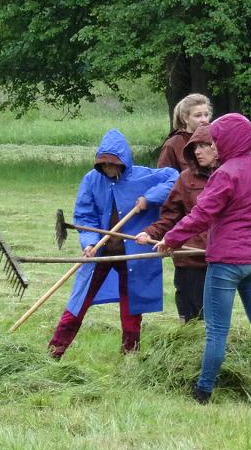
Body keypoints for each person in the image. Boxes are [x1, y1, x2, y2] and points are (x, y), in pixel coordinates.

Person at [155, 113, 251, 409]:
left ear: (230, 140)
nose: (215, 146)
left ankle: (202, 393)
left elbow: (201, 214)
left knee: (216, 331)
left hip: (225, 264)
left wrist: (170, 239)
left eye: (218, 140)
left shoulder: (225, 173)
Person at [48, 129, 178, 359]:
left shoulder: (142, 176)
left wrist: (149, 199)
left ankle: (130, 358)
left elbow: (175, 178)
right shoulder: (91, 180)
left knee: (131, 309)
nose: (109, 169)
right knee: (78, 304)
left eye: (113, 164)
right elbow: (85, 215)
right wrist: (89, 243)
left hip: (132, 255)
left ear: (124, 162)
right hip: (100, 254)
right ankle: (54, 352)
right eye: (104, 164)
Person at [136, 125, 216, 322]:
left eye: (204, 145)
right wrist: (150, 233)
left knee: (214, 318)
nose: (198, 151)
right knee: (190, 318)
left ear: (217, 147)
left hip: (219, 258)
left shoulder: (229, 176)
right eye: (194, 147)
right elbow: (170, 216)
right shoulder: (185, 179)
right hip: (188, 257)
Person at [157, 93, 212, 171]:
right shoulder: (173, 144)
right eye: (198, 115)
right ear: (185, 118)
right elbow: (164, 177)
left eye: (206, 115)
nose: (204, 120)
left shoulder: (214, 139)